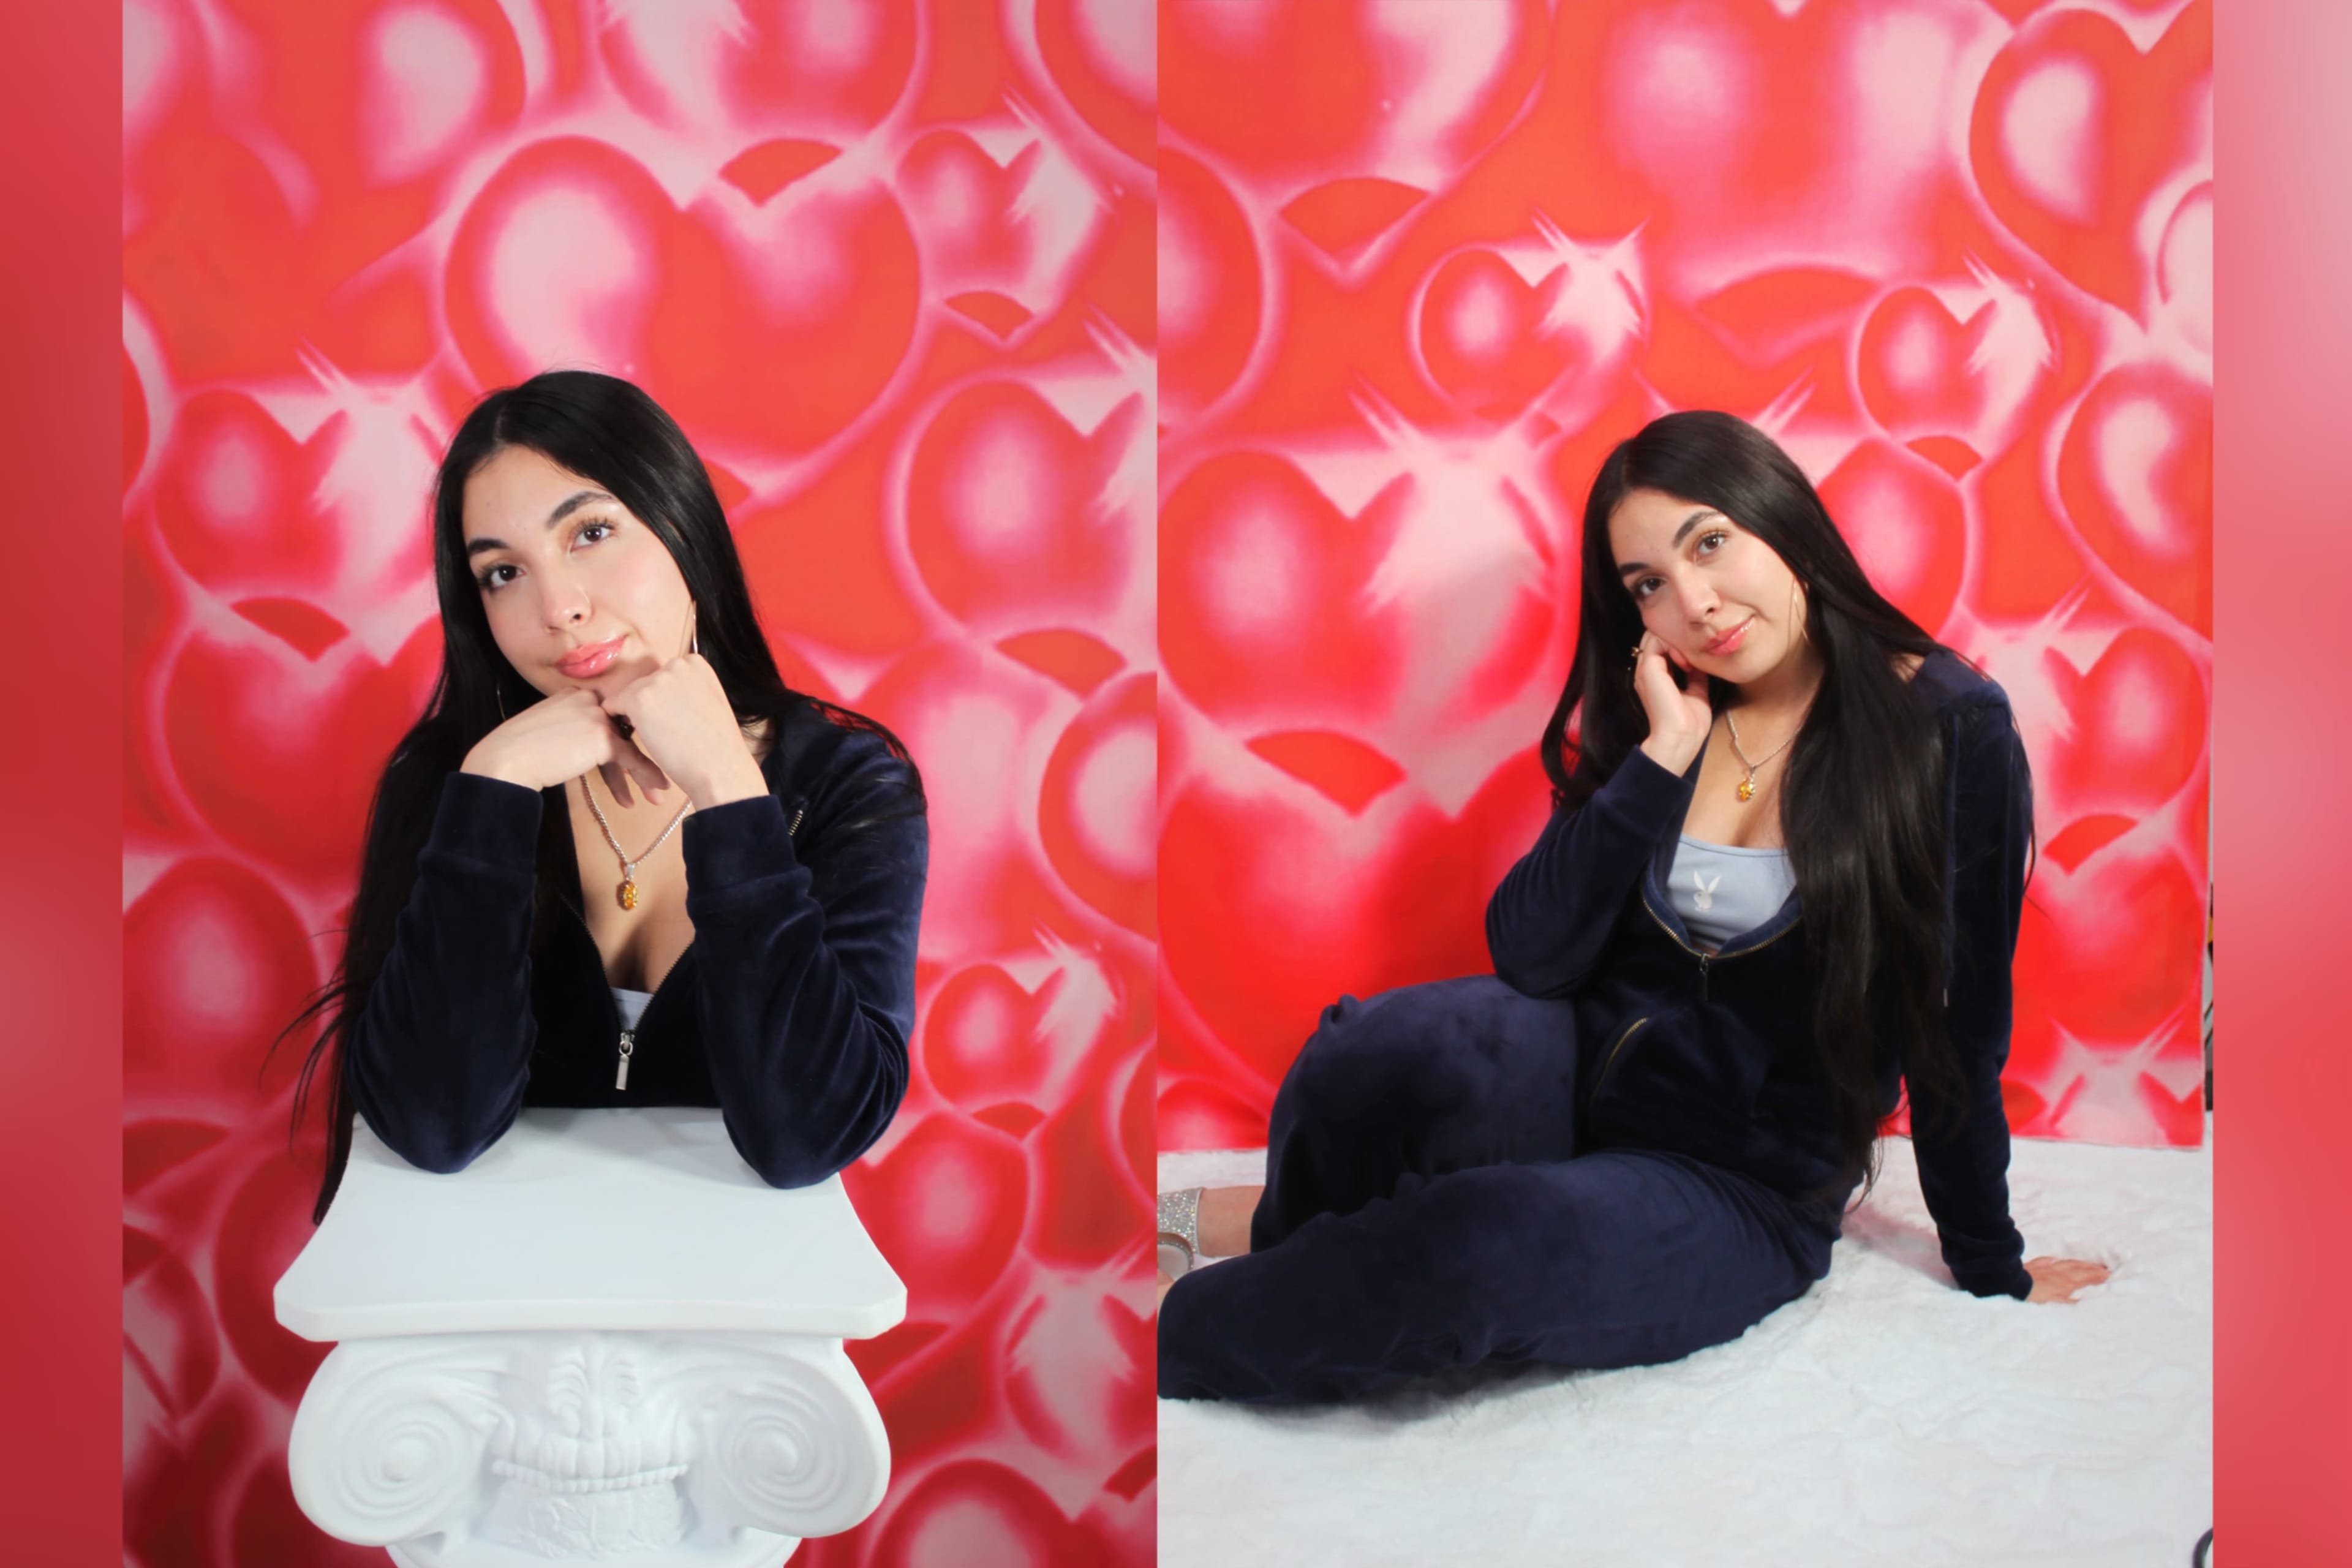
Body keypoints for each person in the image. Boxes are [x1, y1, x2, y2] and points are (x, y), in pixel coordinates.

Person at [1156, 410, 2110, 1404]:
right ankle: (1272, 1236)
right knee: (1370, 1052)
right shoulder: (1671, 704)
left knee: (1479, 1244)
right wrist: (1661, 756)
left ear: (1781, 517)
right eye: (1648, 583)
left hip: (1735, 1181)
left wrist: (1989, 1258)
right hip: (1568, 1077)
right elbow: (1533, 955)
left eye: (1711, 543)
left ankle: (1155, 1335)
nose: (1694, 604)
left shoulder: (1946, 726)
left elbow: (1957, 1029)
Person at [285, 370, 927, 1219]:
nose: (559, 608)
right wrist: (495, 789)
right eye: (503, 573)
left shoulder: (851, 786)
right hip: (491, 1277)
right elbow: (433, 1128)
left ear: (682, 526)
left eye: (590, 532)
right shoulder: (454, 778)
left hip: (737, 1284)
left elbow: (806, 1137)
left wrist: (731, 794)